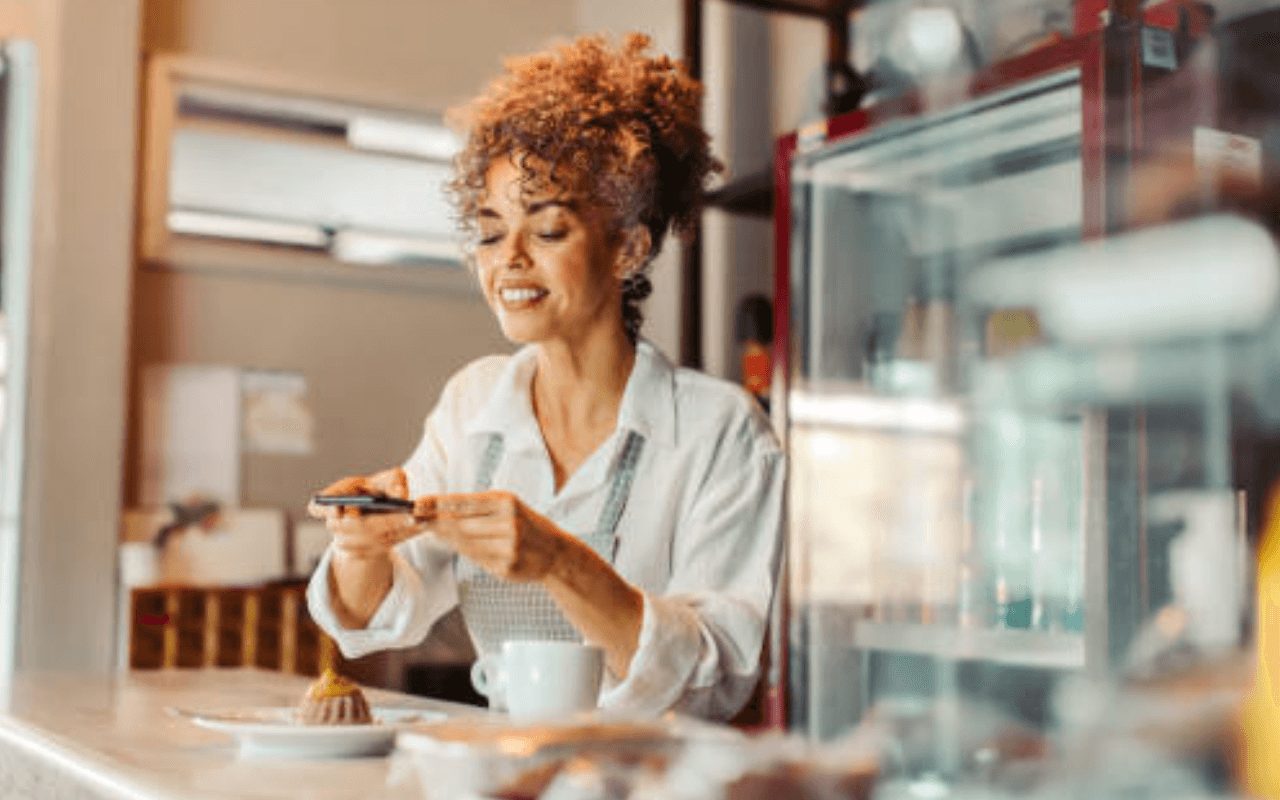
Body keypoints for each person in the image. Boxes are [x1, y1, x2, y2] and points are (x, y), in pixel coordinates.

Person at [306, 33, 783, 721]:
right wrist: (361, 547)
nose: (511, 261)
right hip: (513, 773)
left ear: (628, 247)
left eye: (549, 231)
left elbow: (717, 680)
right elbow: (380, 614)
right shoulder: (475, 404)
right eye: (492, 232)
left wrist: (561, 562)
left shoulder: (722, 433)